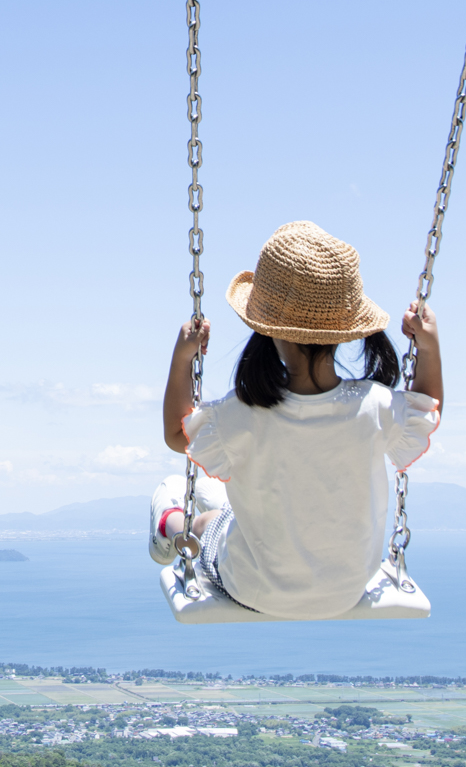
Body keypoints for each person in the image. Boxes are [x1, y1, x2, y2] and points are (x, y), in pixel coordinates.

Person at [149, 220, 443, 619]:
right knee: (229, 499)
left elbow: (174, 433)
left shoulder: (243, 413)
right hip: (347, 589)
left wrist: (182, 357)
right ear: (345, 331)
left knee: (206, 521)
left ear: (269, 330)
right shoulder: (376, 406)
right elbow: (429, 404)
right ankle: (205, 501)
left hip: (252, 588)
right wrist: (429, 346)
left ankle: (169, 522)